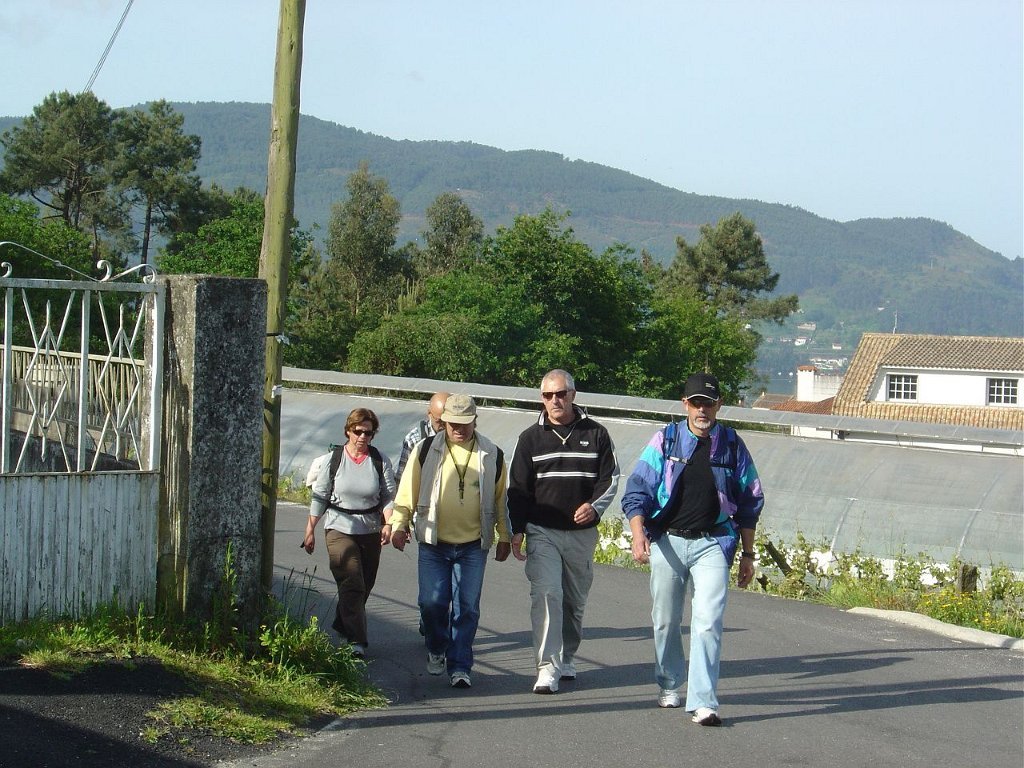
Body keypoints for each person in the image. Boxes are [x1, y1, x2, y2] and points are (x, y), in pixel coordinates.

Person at [621, 372, 764, 726]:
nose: (703, 410)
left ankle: (703, 701)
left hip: (713, 543)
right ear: (685, 404)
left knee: (708, 622)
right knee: (666, 620)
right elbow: (637, 489)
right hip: (668, 541)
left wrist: (748, 555)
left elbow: (751, 499)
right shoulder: (666, 440)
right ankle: (669, 683)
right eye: (697, 403)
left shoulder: (731, 445)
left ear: (719, 406)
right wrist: (638, 535)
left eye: (709, 404)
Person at [388, 393, 512, 689]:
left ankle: (460, 666)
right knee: (431, 603)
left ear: (475, 421)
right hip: (434, 543)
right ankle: (436, 645)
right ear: (443, 422)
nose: (458, 428)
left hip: (473, 545)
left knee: (467, 607)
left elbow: (501, 499)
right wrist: (399, 524)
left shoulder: (491, 453)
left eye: (464, 423)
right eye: (453, 423)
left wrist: (504, 535)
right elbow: (407, 491)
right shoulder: (426, 449)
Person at [508, 369, 619, 694]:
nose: (555, 400)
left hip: (581, 534)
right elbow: (518, 488)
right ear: (541, 398)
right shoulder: (529, 438)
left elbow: (610, 478)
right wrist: (517, 530)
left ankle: (567, 656)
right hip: (542, 531)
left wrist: (594, 507)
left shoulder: (596, 433)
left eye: (561, 394)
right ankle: (547, 667)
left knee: (573, 602)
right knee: (547, 595)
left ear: (573, 395)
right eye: (548, 395)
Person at [303, 408, 397, 657]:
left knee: (364, 584)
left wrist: (389, 524)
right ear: (348, 431)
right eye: (358, 431)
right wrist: (310, 530)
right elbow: (320, 496)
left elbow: (388, 496)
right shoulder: (333, 460)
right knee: (352, 579)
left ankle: (343, 622)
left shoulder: (379, 460)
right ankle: (356, 641)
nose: (363, 437)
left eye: (368, 432)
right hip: (339, 527)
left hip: (369, 529)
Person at [395, 391, 450, 481]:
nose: (444, 426)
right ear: (429, 414)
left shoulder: (462, 437)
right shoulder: (415, 440)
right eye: (439, 421)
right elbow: (402, 478)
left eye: (448, 421)